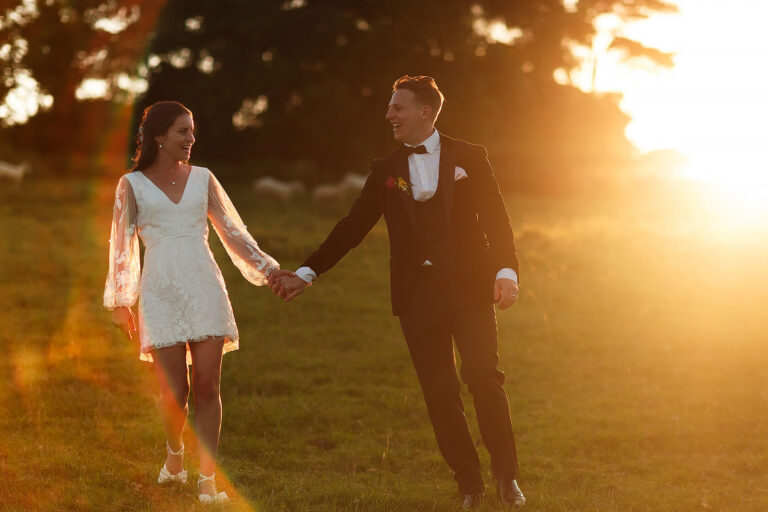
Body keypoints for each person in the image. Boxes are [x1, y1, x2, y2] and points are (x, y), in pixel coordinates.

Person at [268, 76, 525, 509]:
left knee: (483, 376)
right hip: (416, 296)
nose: (389, 114)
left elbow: (497, 219)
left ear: (425, 111)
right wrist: (308, 272)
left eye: (397, 107)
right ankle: (469, 483)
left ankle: (507, 477)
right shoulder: (386, 170)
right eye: (390, 108)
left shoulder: (470, 157)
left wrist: (506, 271)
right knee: (440, 393)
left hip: (469, 288)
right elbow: (353, 225)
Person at [103, 101, 279, 504]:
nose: (191, 139)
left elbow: (234, 232)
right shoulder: (132, 184)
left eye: (192, 131)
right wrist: (121, 301)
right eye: (183, 131)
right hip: (160, 291)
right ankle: (174, 455)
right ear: (159, 136)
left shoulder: (204, 178)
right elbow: (121, 246)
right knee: (175, 392)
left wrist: (270, 270)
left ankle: (207, 481)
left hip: (204, 286)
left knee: (207, 384)